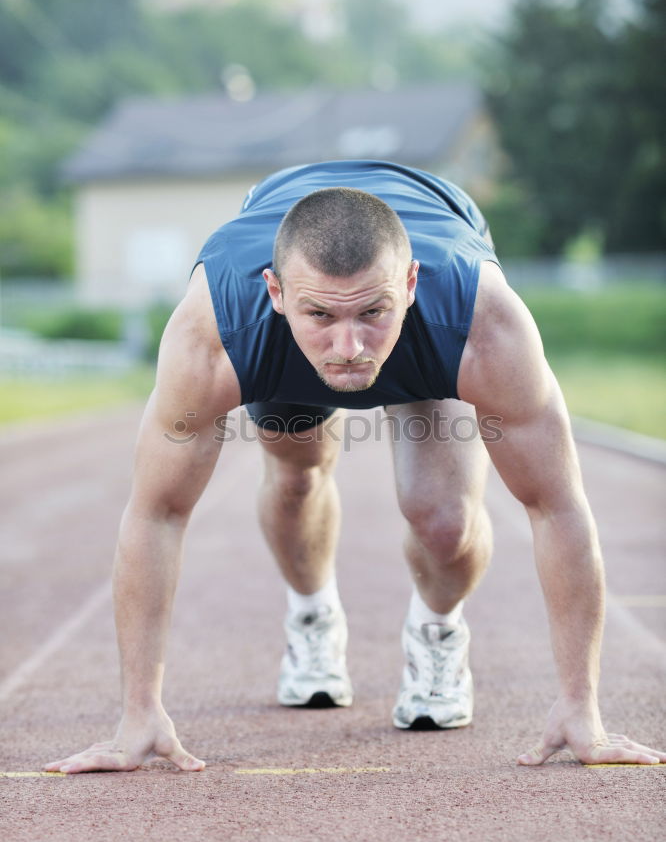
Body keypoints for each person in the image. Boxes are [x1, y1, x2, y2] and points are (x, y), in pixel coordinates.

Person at [45, 160, 664, 773]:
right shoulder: (215, 335)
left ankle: (438, 630)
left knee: (444, 520)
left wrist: (583, 705)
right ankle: (312, 616)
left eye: (372, 313)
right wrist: (138, 712)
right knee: (296, 475)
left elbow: (557, 504)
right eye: (322, 316)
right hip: (287, 327)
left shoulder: (481, 324)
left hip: (428, 314)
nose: (349, 349)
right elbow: (158, 512)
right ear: (276, 293)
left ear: (413, 284)